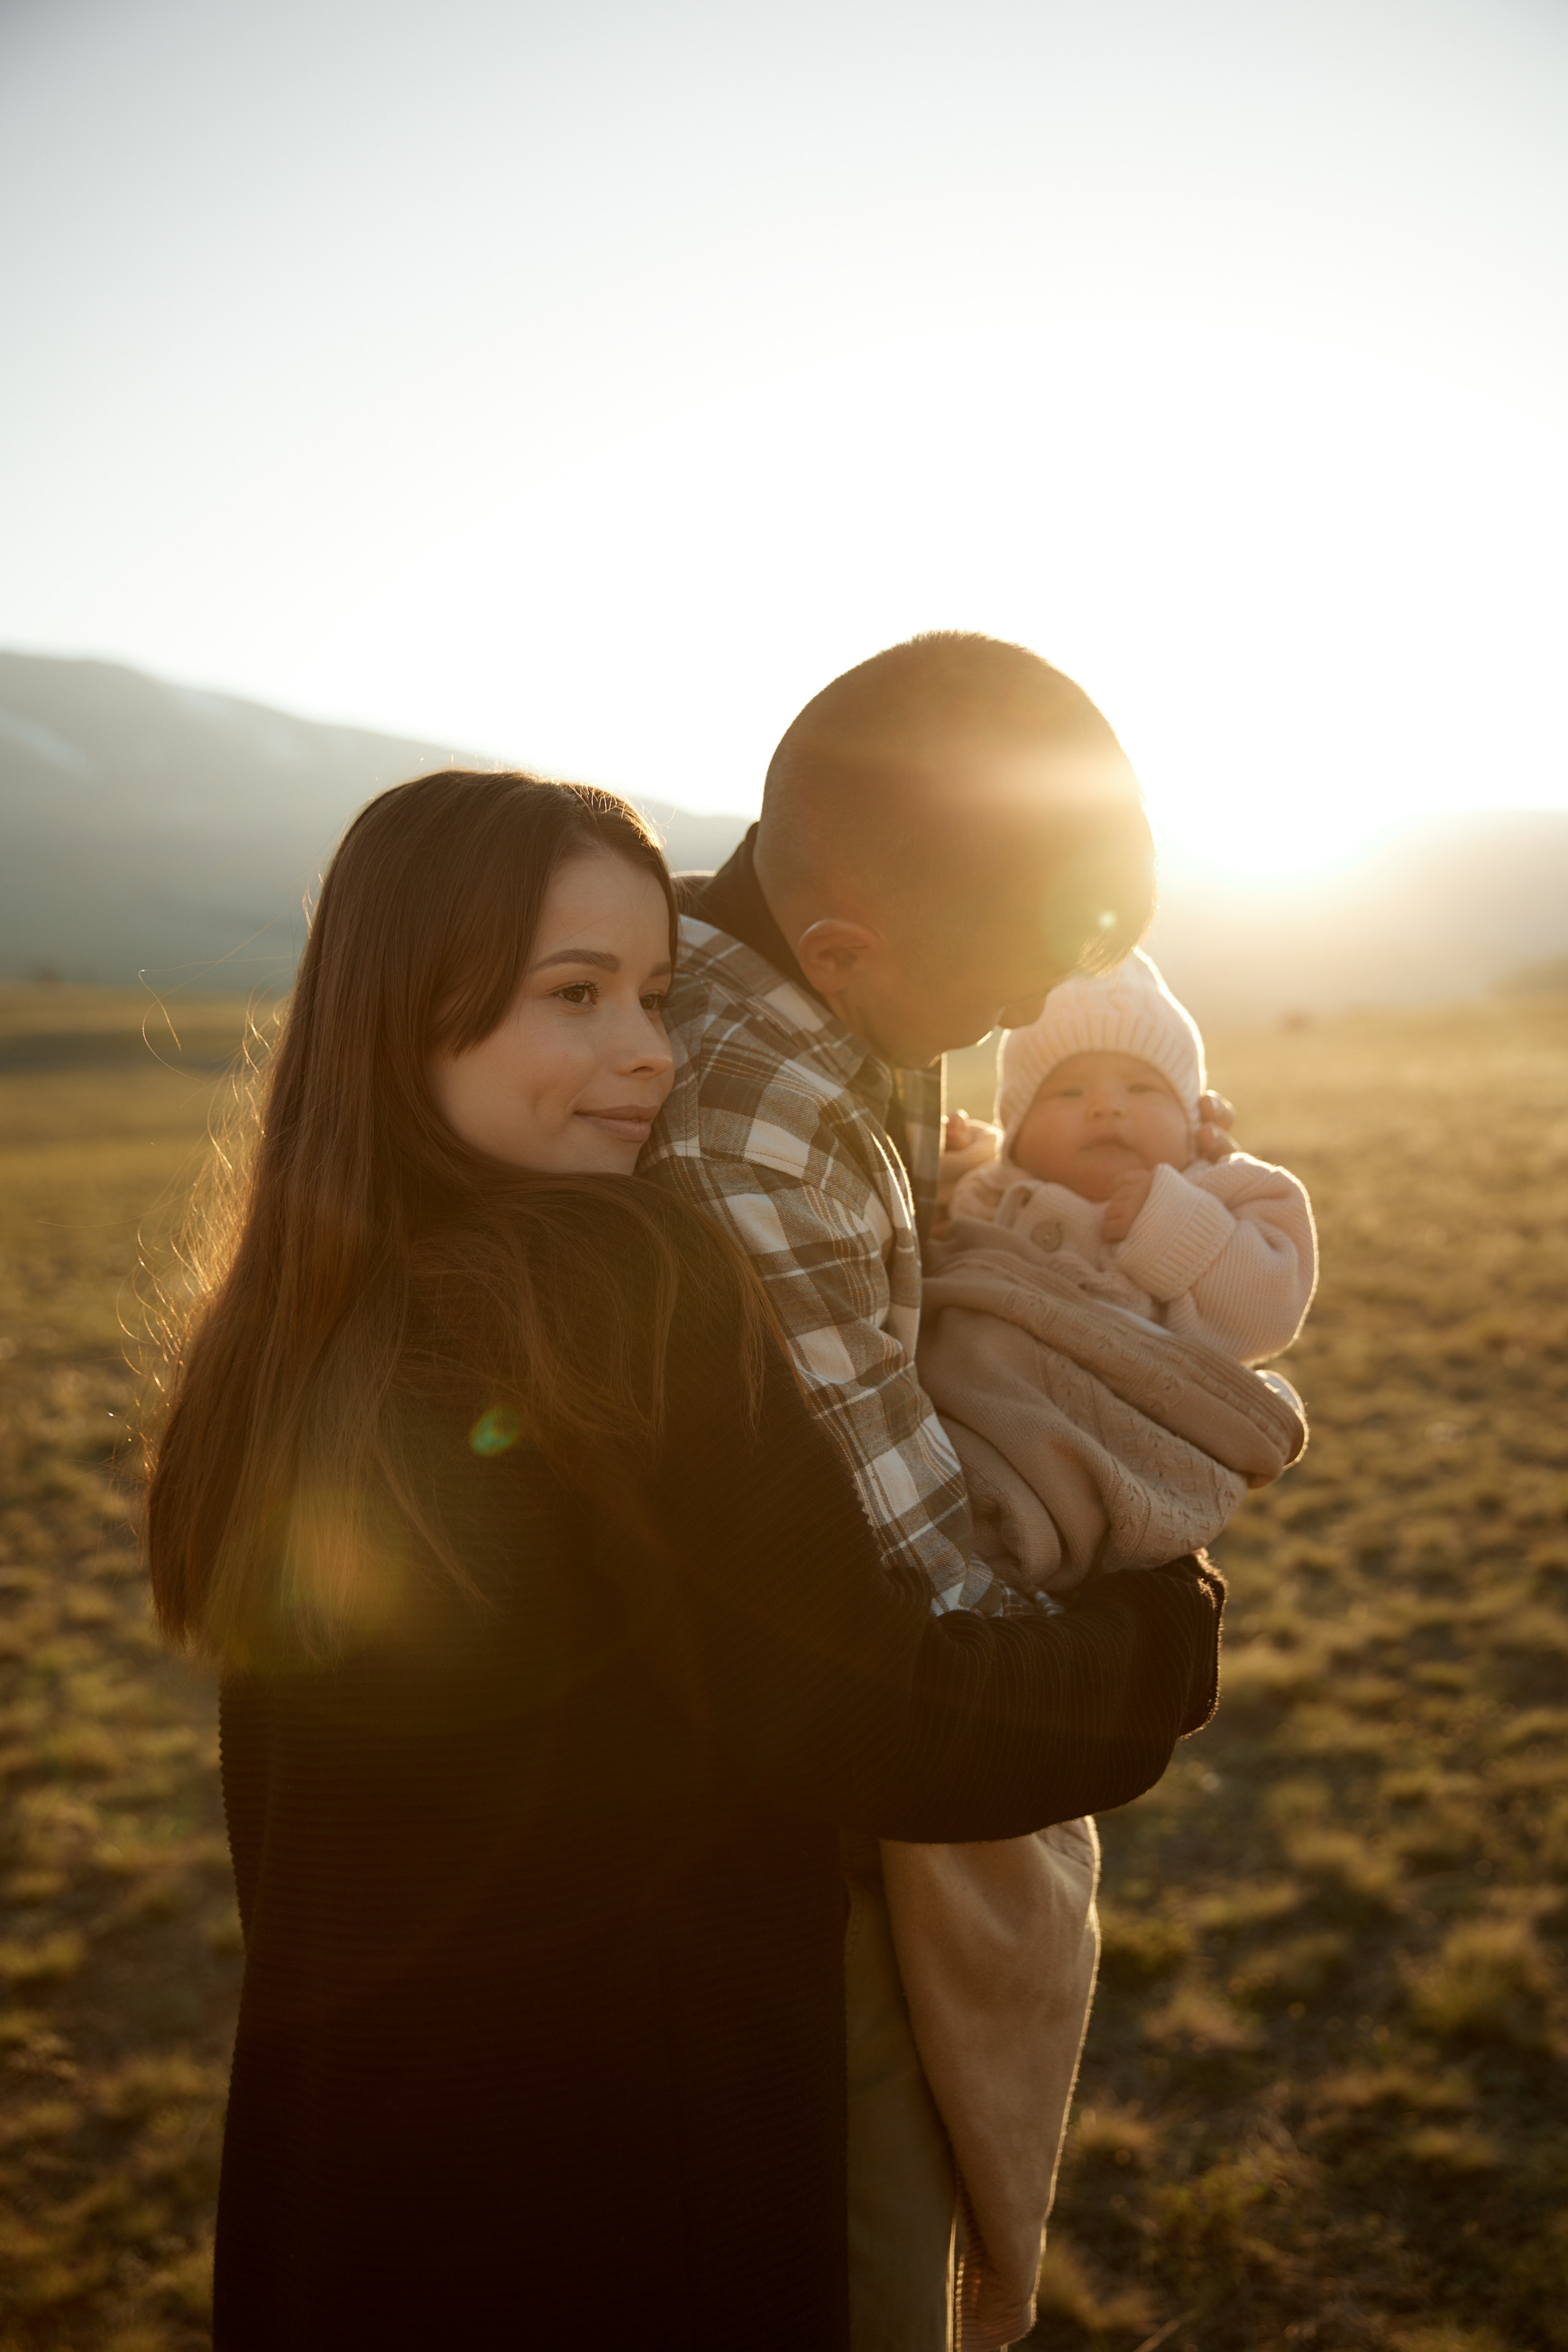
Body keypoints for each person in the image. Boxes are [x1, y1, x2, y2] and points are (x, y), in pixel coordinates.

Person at [142, 767, 1223, 2352]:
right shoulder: (618, 1287)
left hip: (364, 2179)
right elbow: (876, 1711)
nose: (650, 1052)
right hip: (633, 2184)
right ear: (400, 1009)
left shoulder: (287, 1327)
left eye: (654, 991)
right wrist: (1159, 1637)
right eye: (571, 995)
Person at [640, 632, 1233, 2348]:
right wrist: (1155, 1617)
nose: (995, 1039)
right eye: (988, 1013)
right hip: (794, 1836)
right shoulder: (750, 1114)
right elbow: (931, 1599)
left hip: (824, 1767)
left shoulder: (841, 985)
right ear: (842, 950)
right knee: (869, 2274)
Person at [946, 947, 1317, 1362]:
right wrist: (950, 1167)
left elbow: (1270, 1320)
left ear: (1192, 1123)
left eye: (1141, 1089)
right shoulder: (990, 1194)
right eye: (1070, 1091)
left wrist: (1172, 1220)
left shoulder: (1226, 1191)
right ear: (1016, 1134)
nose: (1107, 1106)